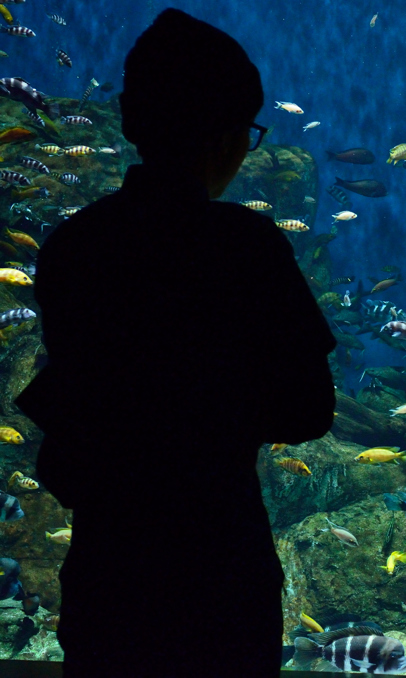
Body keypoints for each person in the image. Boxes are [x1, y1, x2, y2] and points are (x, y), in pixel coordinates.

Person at [14, 10, 336, 677]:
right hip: (222, 568)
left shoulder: (76, 249)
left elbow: (73, 408)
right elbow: (311, 410)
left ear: (132, 122)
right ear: (226, 138)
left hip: (112, 570)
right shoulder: (250, 248)